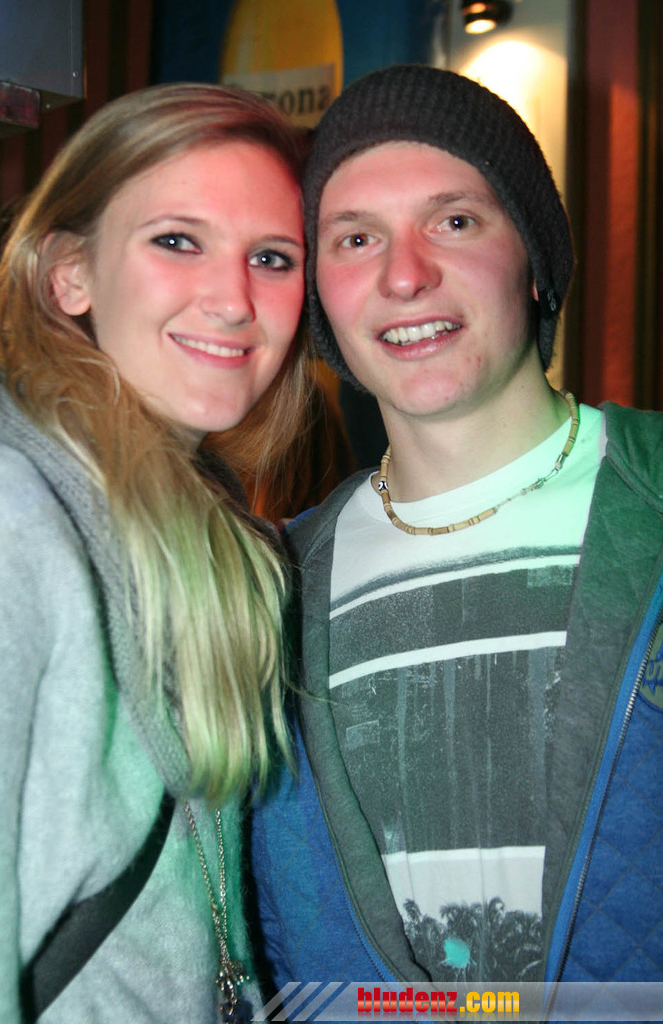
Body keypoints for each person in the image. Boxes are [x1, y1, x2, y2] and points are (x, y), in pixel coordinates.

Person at [251, 64, 663, 996]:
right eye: (356, 238)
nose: (404, 275)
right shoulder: (264, 589)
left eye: (455, 221)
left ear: (534, 260)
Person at [0, 82, 309, 1022]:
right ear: (69, 275)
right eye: (176, 241)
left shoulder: (212, 544)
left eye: (271, 258)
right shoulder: (3, 517)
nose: (234, 299)